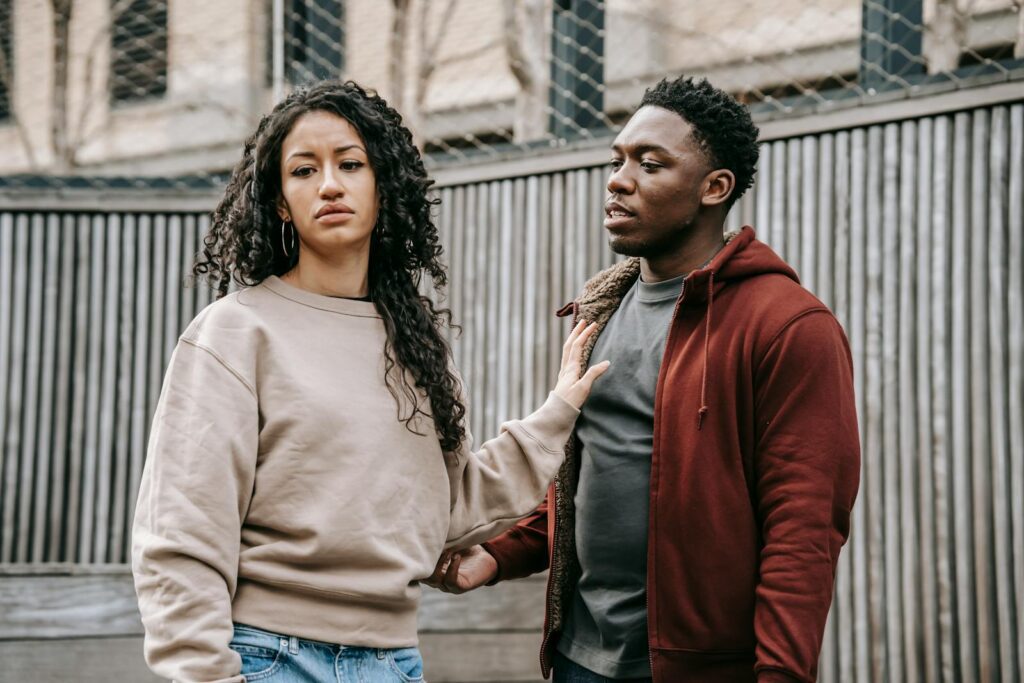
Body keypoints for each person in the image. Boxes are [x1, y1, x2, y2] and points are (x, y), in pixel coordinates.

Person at [130, 80, 609, 683]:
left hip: (395, 662)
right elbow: (182, 533)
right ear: (280, 202)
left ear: (382, 185)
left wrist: (557, 413)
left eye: (350, 164)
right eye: (304, 171)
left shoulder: (415, 345)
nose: (329, 184)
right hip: (268, 660)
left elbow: (444, 511)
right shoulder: (234, 333)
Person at [427, 76, 861, 683]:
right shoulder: (598, 311)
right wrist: (497, 556)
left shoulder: (789, 325)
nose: (618, 179)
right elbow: (589, 483)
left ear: (715, 188)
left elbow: (804, 532)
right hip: (579, 657)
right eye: (617, 160)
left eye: (650, 164)